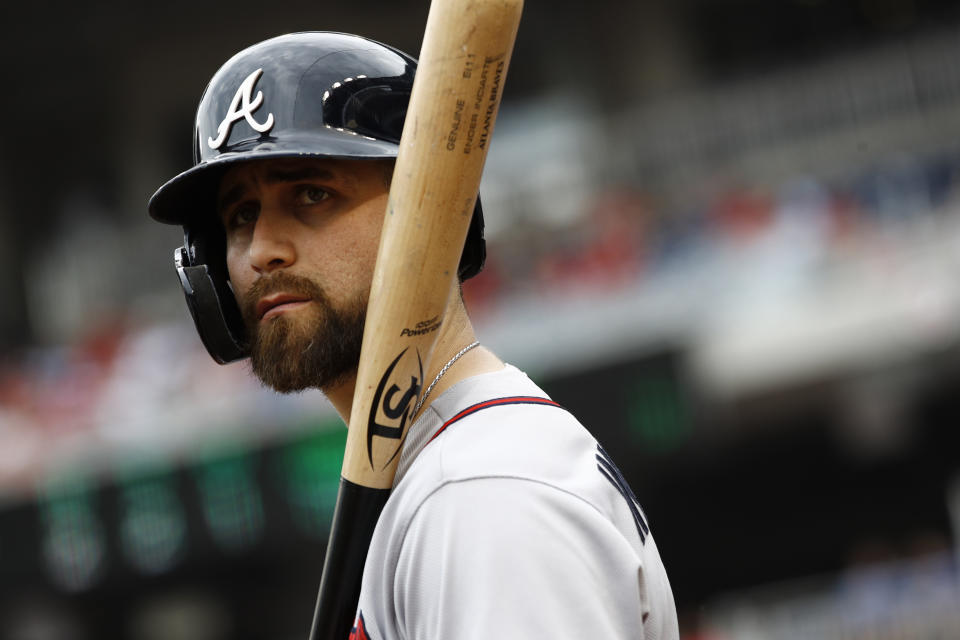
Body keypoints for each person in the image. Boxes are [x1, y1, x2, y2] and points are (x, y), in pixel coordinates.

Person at [149, 32, 679, 640]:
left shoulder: (479, 497)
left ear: (433, 211)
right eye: (241, 215)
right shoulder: (446, 474)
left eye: (312, 194)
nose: (263, 249)